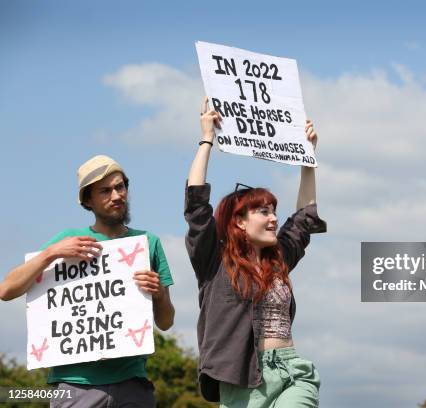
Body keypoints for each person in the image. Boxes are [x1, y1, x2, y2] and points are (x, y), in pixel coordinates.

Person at [0, 155, 175, 407]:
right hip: (74, 386)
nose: (116, 196)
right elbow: (6, 289)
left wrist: (158, 293)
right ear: (88, 201)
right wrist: (52, 253)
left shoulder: (149, 243)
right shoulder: (68, 239)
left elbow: (166, 322)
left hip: (133, 385)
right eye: (105, 191)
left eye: (120, 187)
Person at [184, 97, 326, 407]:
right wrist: (207, 138)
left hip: (291, 372)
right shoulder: (214, 262)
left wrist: (307, 157)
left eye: (274, 211)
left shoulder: (279, 259)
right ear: (239, 222)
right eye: (263, 211)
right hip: (241, 378)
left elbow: (304, 218)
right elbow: (196, 205)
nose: (274, 218)